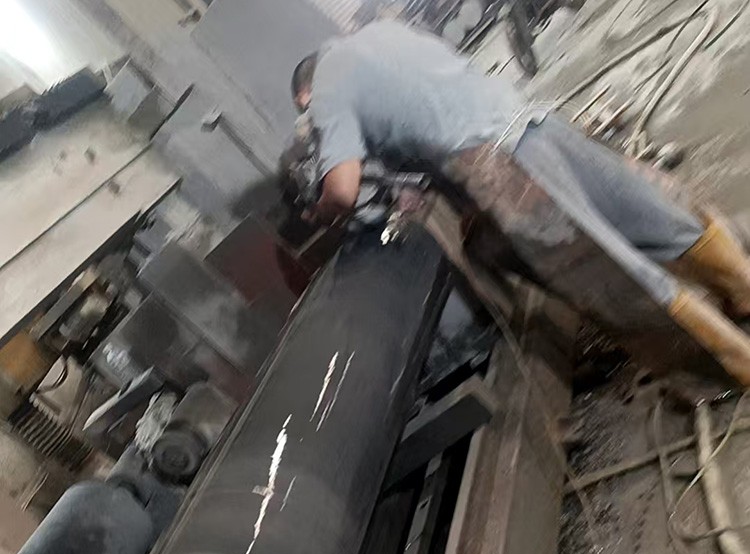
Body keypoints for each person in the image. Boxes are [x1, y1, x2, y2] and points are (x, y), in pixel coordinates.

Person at [291, 20, 750, 382]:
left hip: (506, 171)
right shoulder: (383, 34)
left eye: (306, 112)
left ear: (305, 95)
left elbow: (344, 189)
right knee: (650, 217)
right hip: (534, 122)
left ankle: (724, 367)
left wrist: (323, 212)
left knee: (615, 279)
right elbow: (432, 109)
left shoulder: (327, 90)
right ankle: (742, 288)